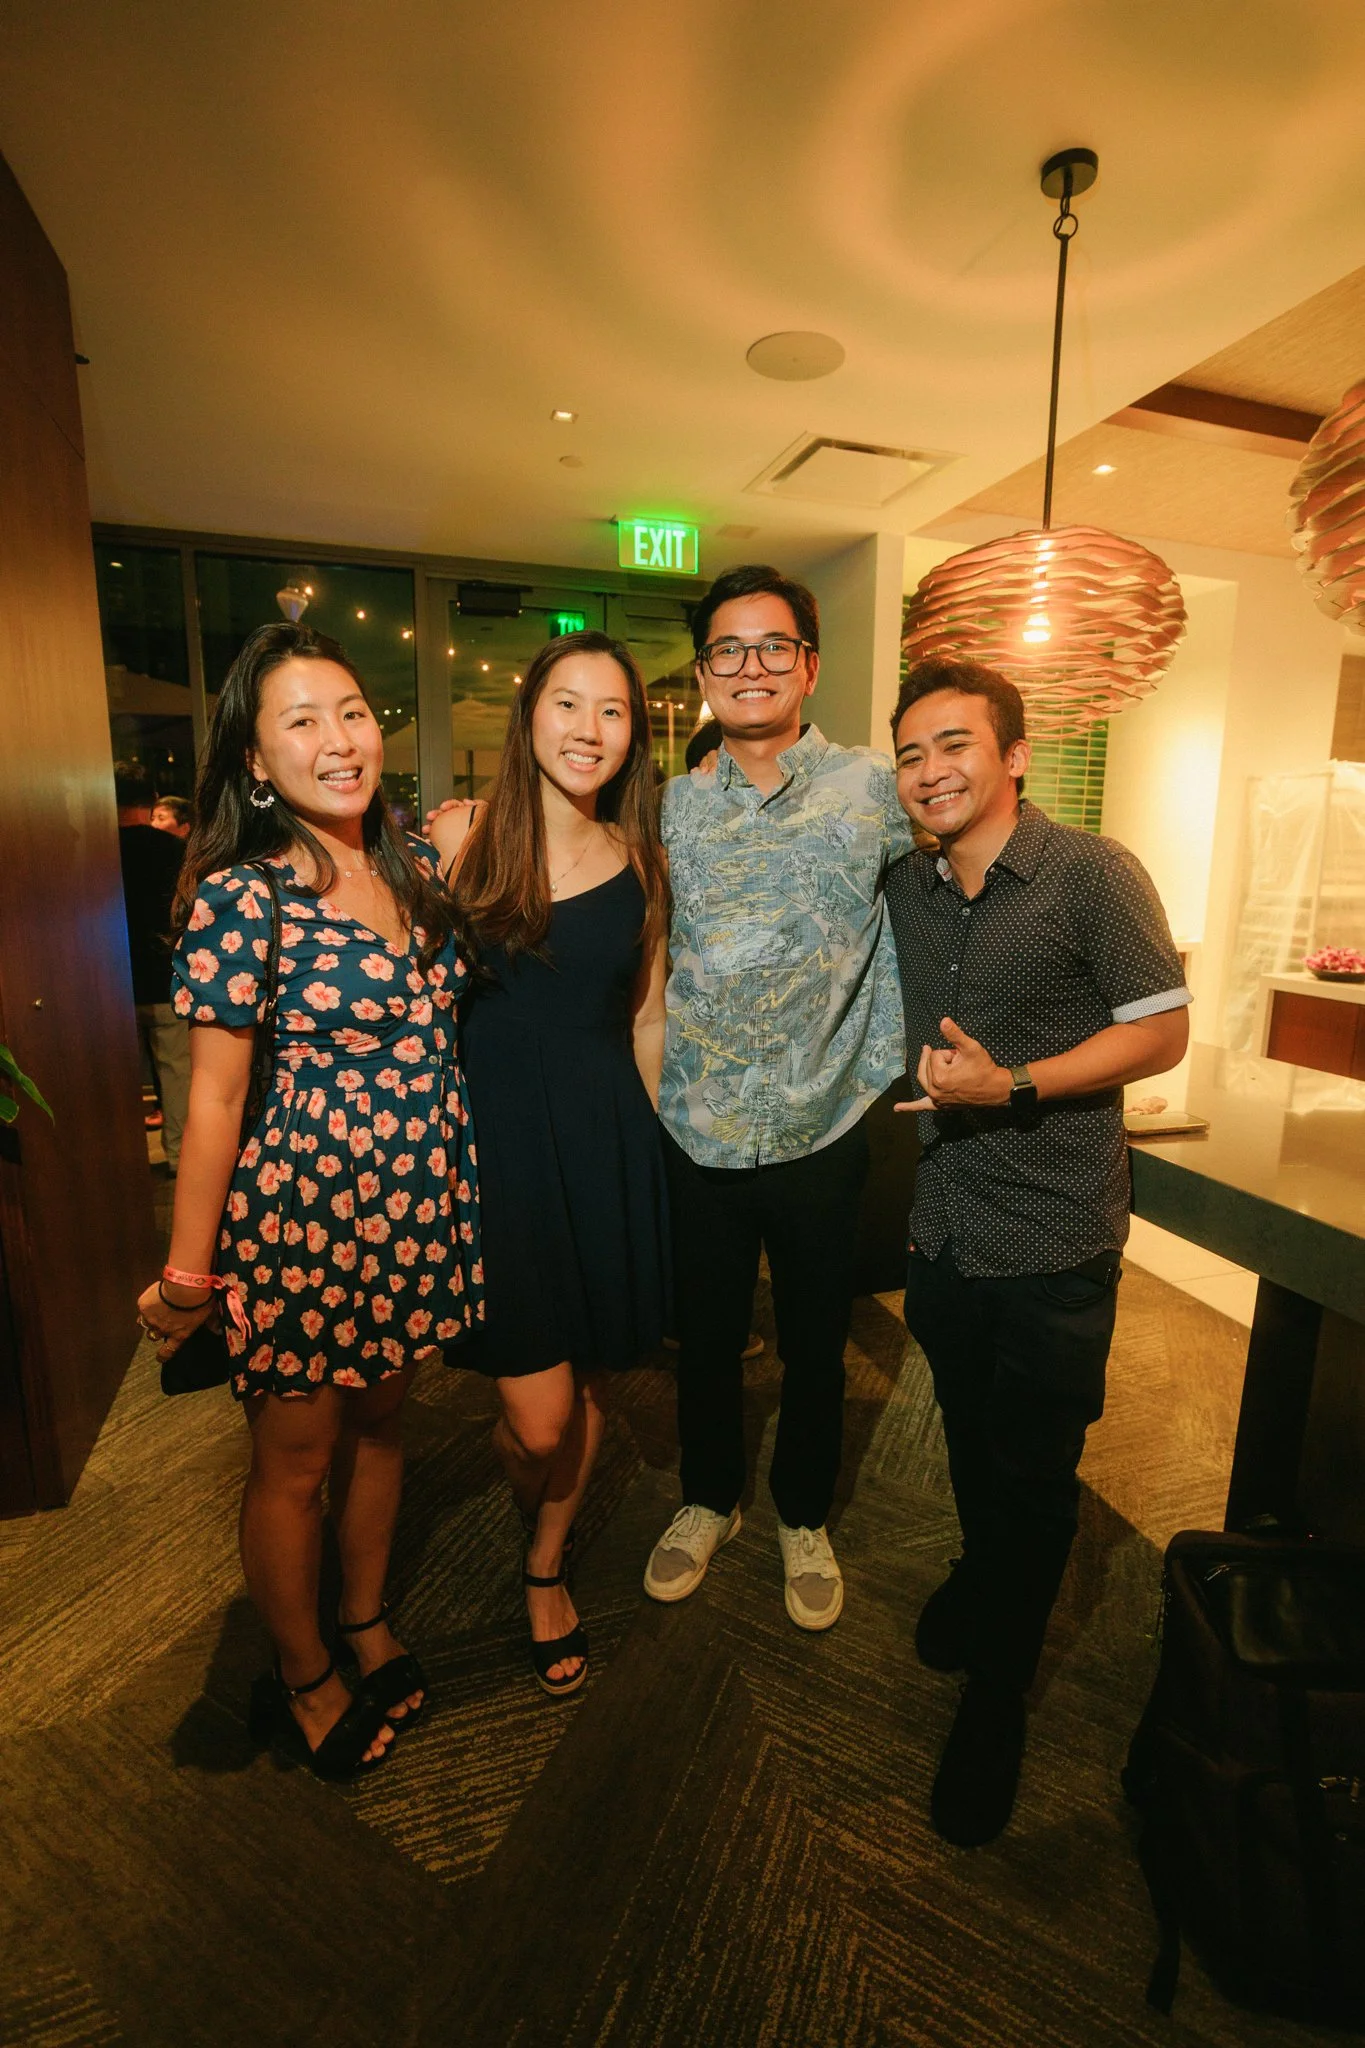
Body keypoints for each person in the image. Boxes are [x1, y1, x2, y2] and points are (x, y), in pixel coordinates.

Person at [134, 621, 483, 1782]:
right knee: (292, 1461)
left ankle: (368, 1613)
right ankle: (300, 1665)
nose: (338, 740)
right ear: (254, 761)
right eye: (300, 720)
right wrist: (192, 1271)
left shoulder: (419, 870)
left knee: (383, 1425)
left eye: (349, 711)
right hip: (302, 1225)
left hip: (416, 1208)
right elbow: (216, 1102)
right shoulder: (245, 896)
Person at [886, 656, 1190, 1847]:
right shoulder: (910, 885)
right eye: (911, 753)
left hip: (1056, 1233)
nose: (929, 771)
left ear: (1015, 754)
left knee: (1036, 1468)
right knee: (970, 1437)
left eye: (952, 744)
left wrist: (1012, 1081)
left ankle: (999, 1697)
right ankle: (981, 1569)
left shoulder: (1091, 875)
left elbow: (1163, 1028)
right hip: (946, 1226)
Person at [643, 564, 914, 1629]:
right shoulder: (671, 803)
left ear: (808, 663)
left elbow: (964, 868)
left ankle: (804, 1509)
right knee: (703, 1336)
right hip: (698, 1118)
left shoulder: (873, 789)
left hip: (825, 1114)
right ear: (704, 673)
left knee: (814, 1336)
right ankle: (709, 1498)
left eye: (771, 646)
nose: (748, 666)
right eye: (726, 650)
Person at [428, 630, 670, 1698]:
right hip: (494, 1148)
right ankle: (528, 1480)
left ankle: (543, 1563)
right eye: (568, 704)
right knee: (534, 1416)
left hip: (603, 1136)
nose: (588, 729)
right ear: (528, 715)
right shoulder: (461, 837)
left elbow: (648, 1023)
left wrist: (660, 1166)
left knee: (589, 1378)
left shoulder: (642, 865)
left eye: (612, 711)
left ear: (633, 734)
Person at [116, 763, 191, 1170]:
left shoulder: (96, 850)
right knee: (178, 1075)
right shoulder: (174, 851)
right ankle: (180, 1157)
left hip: (109, 983)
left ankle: (120, 1160)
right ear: (152, 802)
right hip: (166, 977)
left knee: (114, 1077)